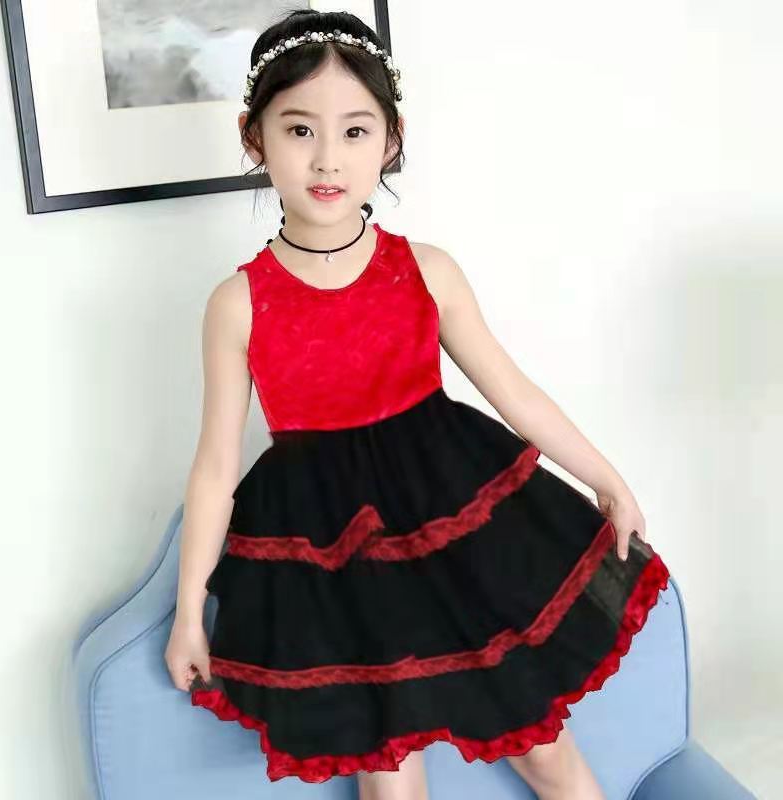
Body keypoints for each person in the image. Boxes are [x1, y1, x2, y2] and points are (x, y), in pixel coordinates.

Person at [164, 9, 670, 799]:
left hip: (454, 535)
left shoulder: (425, 270)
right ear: (254, 137)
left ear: (391, 141)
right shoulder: (239, 304)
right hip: (335, 563)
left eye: (354, 131)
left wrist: (608, 480)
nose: (327, 157)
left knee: (543, 749)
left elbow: (513, 391)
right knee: (390, 776)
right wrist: (189, 612)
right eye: (299, 131)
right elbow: (214, 468)